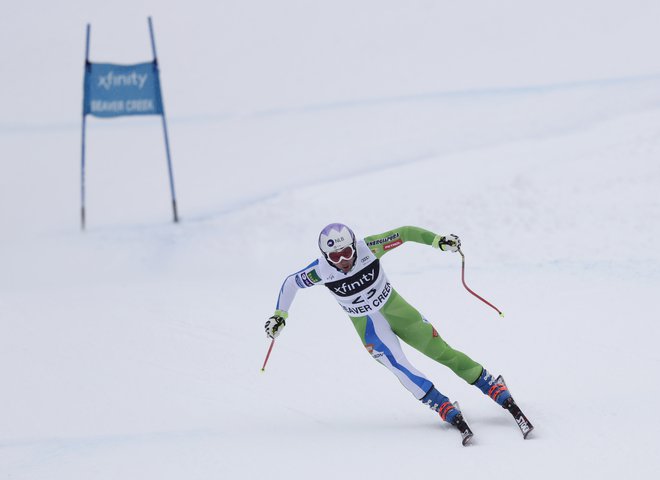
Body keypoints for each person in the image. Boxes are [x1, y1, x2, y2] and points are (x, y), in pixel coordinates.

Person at [266, 223, 529, 445]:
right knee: (400, 367)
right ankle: (440, 404)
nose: (343, 260)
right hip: (370, 328)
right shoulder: (319, 271)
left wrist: (437, 241)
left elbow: (403, 234)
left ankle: (489, 383)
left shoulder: (369, 247)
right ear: (325, 256)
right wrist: (281, 315)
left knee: (442, 352)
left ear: (354, 246)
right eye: (335, 257)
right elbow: (291, 283)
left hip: (400, 313)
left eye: (347, 251)